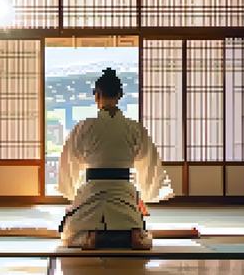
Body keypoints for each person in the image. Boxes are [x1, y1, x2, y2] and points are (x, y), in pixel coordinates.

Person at [56, 68, 174, 250]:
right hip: (123, 193)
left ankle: (90, 237)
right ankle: (132, 235)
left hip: (92, 191)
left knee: (68, 234)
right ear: (120, 95)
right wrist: (142, 196)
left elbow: (69, 165)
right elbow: (148, 165)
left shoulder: (83, 127)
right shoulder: (134, 128)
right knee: (134, 223)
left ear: (96, 96)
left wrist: (74, 197)